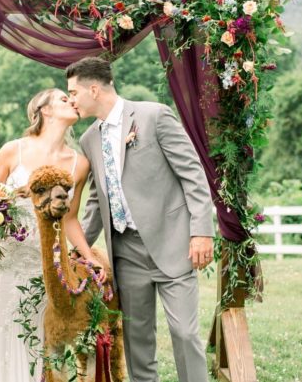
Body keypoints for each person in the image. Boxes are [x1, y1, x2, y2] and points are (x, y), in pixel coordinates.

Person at [67, 57, 215, 382]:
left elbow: (192, 174)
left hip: (173, 242)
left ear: (94, 88)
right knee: (138, 344)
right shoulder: (88, 139)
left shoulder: (154, 116)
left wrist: (202, 232)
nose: (71, 100)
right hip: (126, 253)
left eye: (73, 92)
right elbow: (97, 201)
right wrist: (78, 249)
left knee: (185, 333)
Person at [0, 88, 105, 382]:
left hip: (42, 263)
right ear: (45, 110)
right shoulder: (11, 150)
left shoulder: (79, 164)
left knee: (38, 337)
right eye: (64, 99)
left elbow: (69, 218)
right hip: (3, 261)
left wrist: (89, 257)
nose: (73, 102)